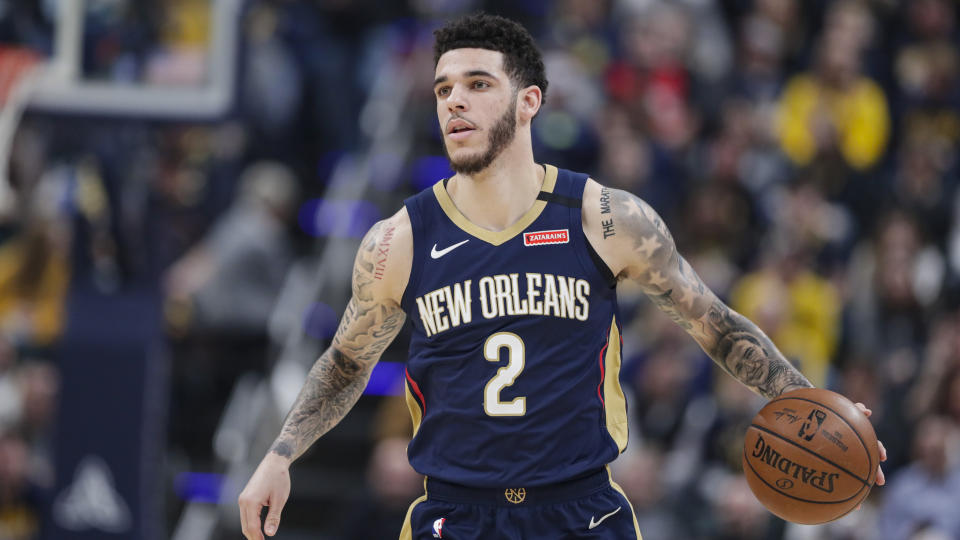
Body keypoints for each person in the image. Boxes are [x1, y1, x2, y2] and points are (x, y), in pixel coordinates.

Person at [238, 13, 885, 539]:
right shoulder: (399, 239)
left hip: (580, 513)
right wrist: (278, 456)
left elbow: (716, 327)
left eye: (477, 84)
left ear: (529, 102)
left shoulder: (604, 216)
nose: (455, 101)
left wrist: (811, 404)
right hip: (456, 515)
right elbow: (348, 363)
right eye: (442, 89)